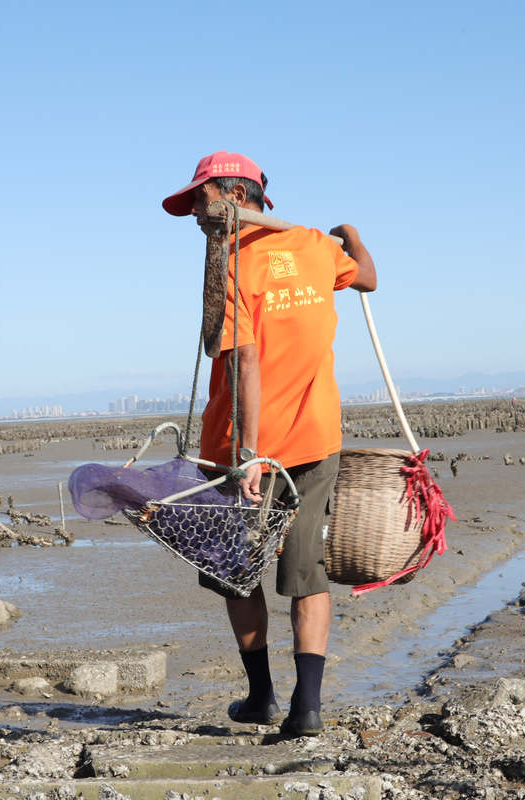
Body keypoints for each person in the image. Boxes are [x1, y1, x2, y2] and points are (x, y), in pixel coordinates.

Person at [162, 151, 377, 736]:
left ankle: (263, 697)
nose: (196, 218)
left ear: (229, 195)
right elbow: (368, 276)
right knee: (306, 574)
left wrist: (250, 454)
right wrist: (351, 234)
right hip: (315, 439)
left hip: (241, 452)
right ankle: (304, 709)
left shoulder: (232, 262)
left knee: (236, 571)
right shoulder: (313, 246)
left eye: (200, 203)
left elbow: (246, 362)